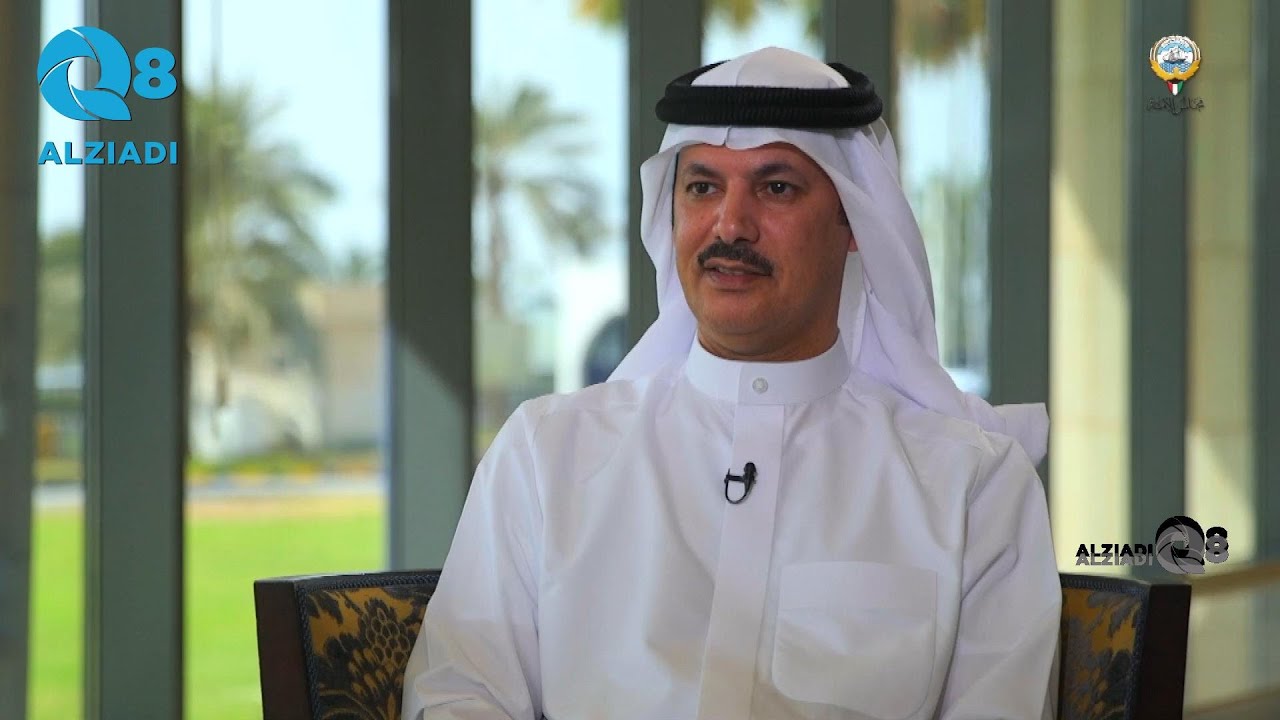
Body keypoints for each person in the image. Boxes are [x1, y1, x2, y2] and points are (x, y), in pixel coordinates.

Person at [402, 47, 1060, 720]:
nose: (731, 225)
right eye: (703, 187)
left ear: (855, 223)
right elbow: (458, 691)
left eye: (777, 189)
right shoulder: (546, 455)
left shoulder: (973, 487)